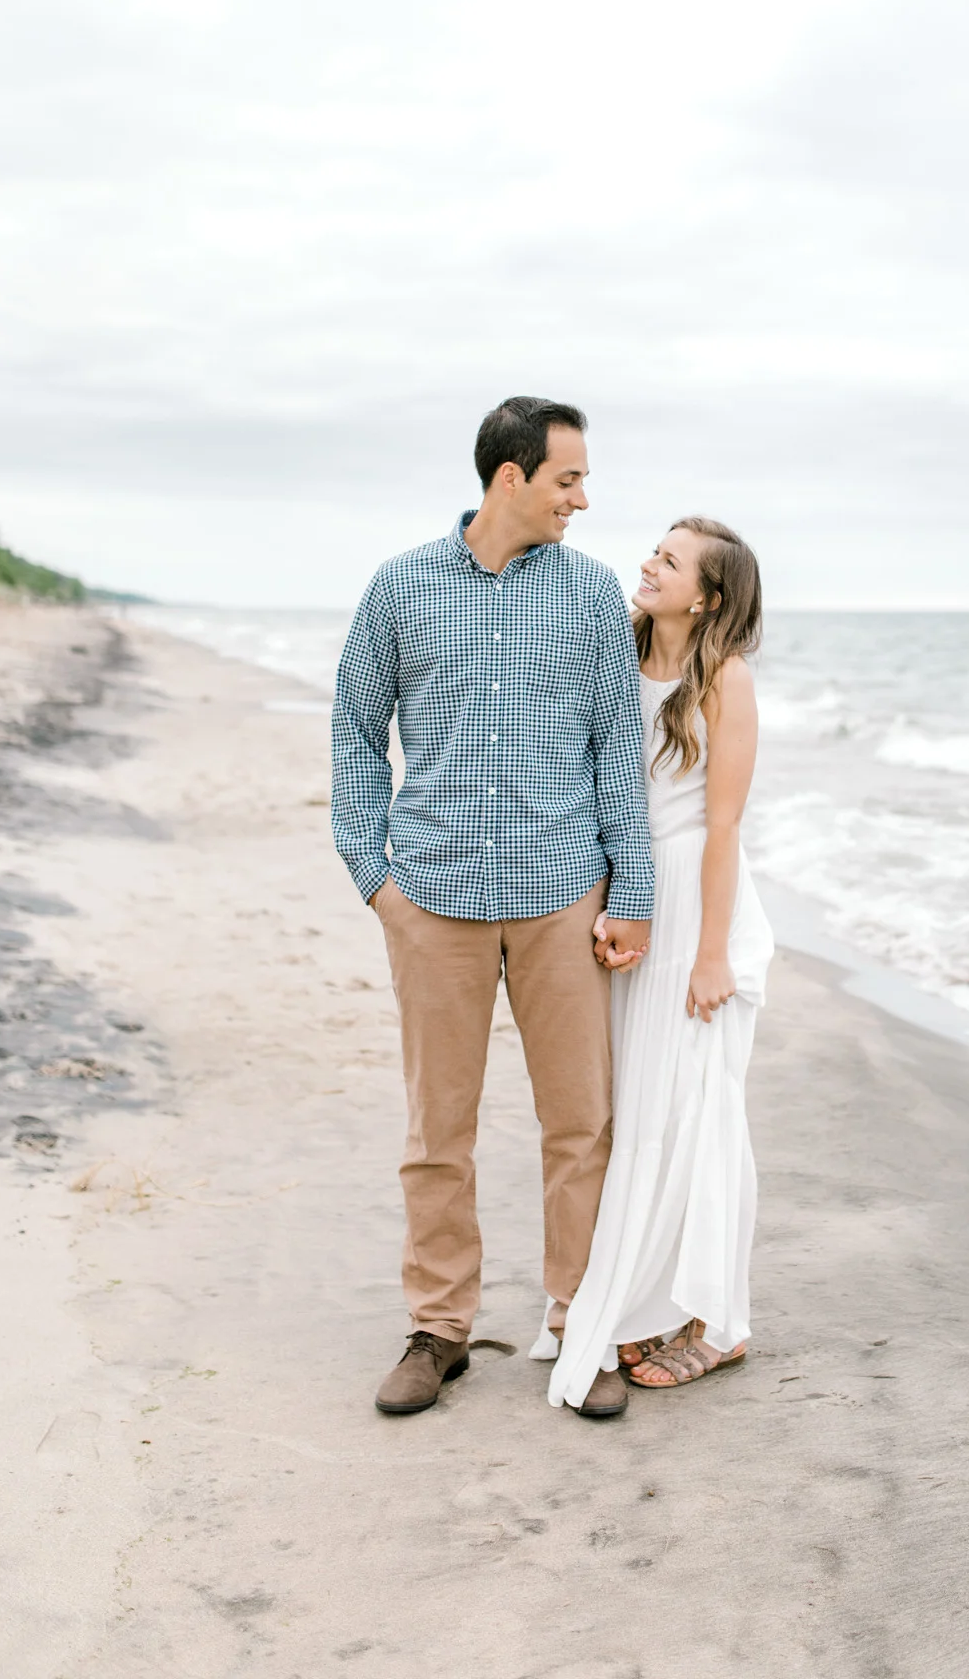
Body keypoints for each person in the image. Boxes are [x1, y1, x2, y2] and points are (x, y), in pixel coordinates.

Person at [331, 396, 654, 1420]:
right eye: (569, 478)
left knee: (581, 1124)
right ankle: (439, 1327)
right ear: (510, 476)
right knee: (438, 1128)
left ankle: (579, 1320)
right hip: (433, 894)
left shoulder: (595, 594)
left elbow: (618, 752)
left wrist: (632, 893)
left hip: (565, 893)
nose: (583, 497)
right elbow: (352, 731)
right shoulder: (401, 587)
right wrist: (375, 878)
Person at [543, 517, 773, 1415]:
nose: (647, 563)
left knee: (697, 1108)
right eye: (656, 550)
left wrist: (712, 954)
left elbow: (722, 827)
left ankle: (719, 1323)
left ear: (708, 597)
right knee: (633, 1108)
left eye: (669, 561)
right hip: (627, 895)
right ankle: (640, 1301)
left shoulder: (725, 679)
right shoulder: (619, 649)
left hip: (697, 906)